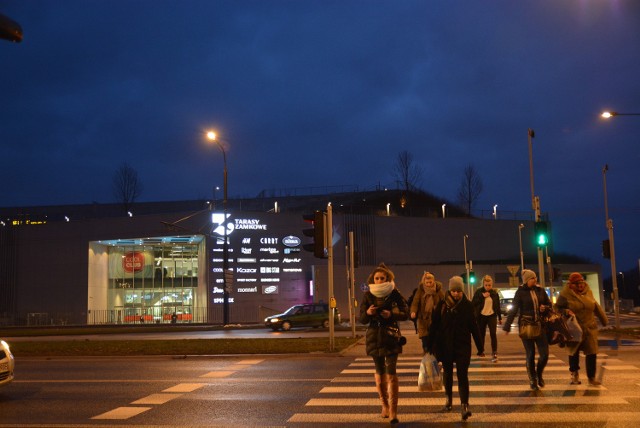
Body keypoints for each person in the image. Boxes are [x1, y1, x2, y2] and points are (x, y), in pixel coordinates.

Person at [427, 276, 482, 421]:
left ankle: (464, 405)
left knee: (463, 375)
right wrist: (429, 346)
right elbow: (434, 327)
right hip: (445, 346)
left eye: (458, 291)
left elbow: (474, 327)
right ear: (449, 291)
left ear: (462, 291)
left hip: (463, 345)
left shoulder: (468, 305)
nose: (456, 293)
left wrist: (480, 346)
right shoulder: (442, 305)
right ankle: (448, 400)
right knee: (448, 374)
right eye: (453, 291)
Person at [359, 263, 408, 424]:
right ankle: (384, 406)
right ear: (373, 280)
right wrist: (368, 312)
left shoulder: (394, 293)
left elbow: (405, 313)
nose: (379, 280)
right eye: (377, 278)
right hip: (374, 336)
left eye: (382, 278)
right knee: (380, 373)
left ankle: (394, 411)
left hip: (390, 336)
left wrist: (391, 314)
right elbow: (362, 319)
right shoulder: (368, 295)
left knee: (391, 373)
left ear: (388, 279)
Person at [555, 272, 608, 386]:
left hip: (589, 327)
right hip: (574, 327)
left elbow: (595, 306)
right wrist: (565, 311)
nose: (580, 285)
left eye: (582, 282)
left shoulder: (588, 292)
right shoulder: (565, 294)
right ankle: (574, 374)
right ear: (571, 284)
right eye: (577, 283)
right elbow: (557, 308)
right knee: (574, 353)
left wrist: (604, 320)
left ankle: (591, 378)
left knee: (592, 352)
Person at [503, 269, 552, 390]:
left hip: (540, 326)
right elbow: (514, 309)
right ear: (526, 280)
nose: (535, 280)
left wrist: (544, 308)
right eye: (532, 278)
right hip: (526, 326)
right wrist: (507, 325)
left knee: (544, 355)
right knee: (530, 354)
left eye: (535, 277)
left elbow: (549, 305)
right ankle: (532, 379)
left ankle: (539, 374)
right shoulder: (520, 292)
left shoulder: (540, 291)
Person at [410, 272, 444, 353]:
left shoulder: (438, 290)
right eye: (427, 283)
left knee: (435, 341)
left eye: (430, 282)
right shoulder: (420, 290)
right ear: (424, 282)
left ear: (434, 281)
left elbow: (443, 302)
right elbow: (415, 302)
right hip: (423, 320)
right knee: (425, 341)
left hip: (435, 319)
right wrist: (413, 311)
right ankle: (427, 357)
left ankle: (434, 358)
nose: (429, 284)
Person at [471, 274, 502, 362]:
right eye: (486, 285)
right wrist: (482, 296)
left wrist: (499, 317)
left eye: (489, 285)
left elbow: (497, 306)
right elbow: (473, 303)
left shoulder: (494, 293)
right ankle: (481, 351)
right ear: (483, 284)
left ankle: (494, 352)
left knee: (493, 334)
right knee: (481, 334)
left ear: (492, 285)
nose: (488, 287)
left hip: (492, 315)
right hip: (481, 316)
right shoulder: (478, 292)